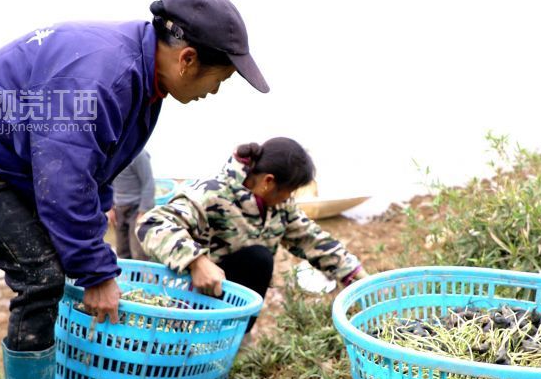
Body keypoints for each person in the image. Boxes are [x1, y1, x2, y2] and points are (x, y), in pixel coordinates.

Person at [0, 0, 268, 379]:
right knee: (40, 274)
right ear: (187, 59)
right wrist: (98, 274)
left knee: (63, 252)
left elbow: (96, 161)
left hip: (14, 144)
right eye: (220, 78)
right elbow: (62, 180)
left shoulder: (145, 78)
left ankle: (53, 374)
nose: (215, 90)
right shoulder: (105, 76)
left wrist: (95, 224)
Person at [136, 138, 368, 330]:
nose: (289, 198)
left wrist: (359, 279)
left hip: (234, 300)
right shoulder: (212, 194)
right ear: (269, 181)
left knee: (259, 259)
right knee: (258, 257)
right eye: (289, 191)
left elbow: (312, 239)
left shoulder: (280, 207)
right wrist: (196, 261)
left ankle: (236, 334)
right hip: (193, 296)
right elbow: (151, 224)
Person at [108, 149, 156, 260]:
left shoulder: (139, 154)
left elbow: (148, 183)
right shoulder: (112, 155)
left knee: (138, 252)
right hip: (119, 209)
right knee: (122, 251)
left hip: (136, 208)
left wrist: (143, 211)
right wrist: (110, 207)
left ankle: (143, 271)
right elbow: (108, 183)